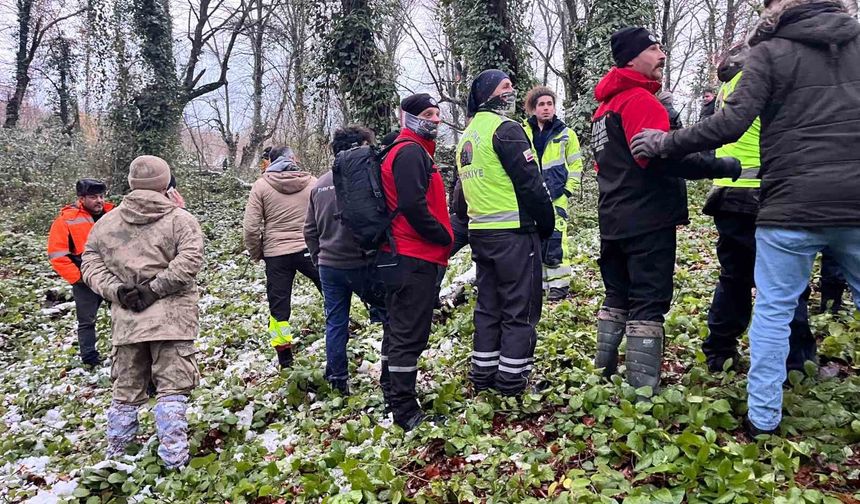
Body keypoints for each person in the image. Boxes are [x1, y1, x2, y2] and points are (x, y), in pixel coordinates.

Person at [629, 0, 860, 435]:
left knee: (773, 308)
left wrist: (666, 143)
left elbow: (730, 123)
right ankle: (793, 366)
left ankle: (763, 419)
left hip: (789, 201)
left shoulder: (770, 52)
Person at [590, 27, 741, 394]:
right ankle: (642, 391)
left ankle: (604, 375)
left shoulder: (602, 110)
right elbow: (661, 159)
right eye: (654, 48)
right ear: (631, 58)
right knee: (649, 299)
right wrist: (719, 165)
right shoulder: (639, 101)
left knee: (616, 296)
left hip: (612, 218)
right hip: (647, 218)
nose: (662, 54)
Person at [81, 155, 204, 469]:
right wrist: (155, 290)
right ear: (166, 183)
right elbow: (189, 262)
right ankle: (175, 462)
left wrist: (118, 291)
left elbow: (90, 265)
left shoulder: (105, 223)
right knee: (172, 391)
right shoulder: (181, 220)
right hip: (172, 321)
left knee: (125, 394)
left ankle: (116, 457)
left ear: (131, 183)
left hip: (127, 322)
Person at [701, 44, 816, 373]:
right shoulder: (762, 81)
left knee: (734, 277)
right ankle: (797, 362)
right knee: (786, 281)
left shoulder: (728, 85)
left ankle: (719, 351)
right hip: (766, 193)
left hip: (729, 194)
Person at [456, 70, 555, 396]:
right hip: (513, 233)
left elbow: (459, 199)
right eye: (505, 87)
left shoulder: (467, 137)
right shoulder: (506, 130)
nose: (512, 92)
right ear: (488, 94)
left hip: (482, 235)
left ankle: (483, 376)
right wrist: (546, 224)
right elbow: (532, 185)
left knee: (488, 306)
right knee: (520, 308)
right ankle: (512, 382)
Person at [378, 93, 452, 430]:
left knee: (397, 329)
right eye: (426, 114)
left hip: (407, 256)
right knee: (408, 335)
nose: (434, 119)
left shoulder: (412, 150)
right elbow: (413, 205)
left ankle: (390, 392)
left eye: (437, 113)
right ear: (407, 117)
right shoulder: (408, 152)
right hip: (413, 257)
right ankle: (405, 411)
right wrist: (443, 236)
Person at [304, 125, 388, 396]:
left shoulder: (319, 185)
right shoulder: (368, 178)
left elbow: (309, 230)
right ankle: (390, 373)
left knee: (336, 322)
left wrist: (319, 259)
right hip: (363, 263)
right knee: (390, 316)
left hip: (330, 265)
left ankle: (338, 379)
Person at [243, 146, 320, 369]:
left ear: (270, 161)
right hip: (308, 248)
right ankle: (342, 333)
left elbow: (250, 227)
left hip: (276, 254)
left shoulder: (261, 186)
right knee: (331, 291)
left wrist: (257, 252)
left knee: (279, 309)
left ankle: (285, 358)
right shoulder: (312, 182)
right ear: (293, 159)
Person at [522, 85, 583, 301]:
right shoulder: (523, 133)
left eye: (550, 104)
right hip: (532, 197)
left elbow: (576, 166)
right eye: (541, 104)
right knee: (534, 241)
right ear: (533, 108)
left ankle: (559, 286)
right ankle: (538, 285)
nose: (546, 108)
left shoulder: (567, 134)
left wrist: (567, 191)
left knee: (556, 240)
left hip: (557, 196)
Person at [47, 178, 115, 366]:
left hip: (113, 276)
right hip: (84, 280)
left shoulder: (114, 213)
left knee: (121, 313)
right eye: (93, 197)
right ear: (81, 198)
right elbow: (57, 255)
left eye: (101, 196)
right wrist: (78, 278)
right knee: (87, 321)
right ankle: (89, 358)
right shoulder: (65, 220)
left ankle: (123, 350)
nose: (99, 200)